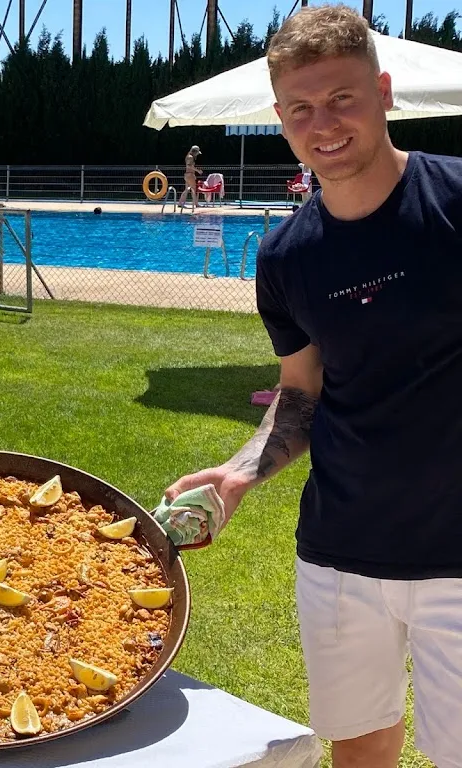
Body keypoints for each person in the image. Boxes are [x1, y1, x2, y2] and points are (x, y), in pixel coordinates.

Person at [163, 6, 462, 768]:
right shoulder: (285, 257)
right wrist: (240, 473)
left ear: (384, 93)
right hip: (340, 554)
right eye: (300, 108)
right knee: (358, 751)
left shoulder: (456, 201)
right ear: (280, 120)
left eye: (341, 98)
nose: (322, 124)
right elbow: (299, 395)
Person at [177, 145, 202, 211]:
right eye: (197, 153)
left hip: (188, 175)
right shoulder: (190, 157)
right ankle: (196, 203)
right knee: (193, 189)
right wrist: (198, 171)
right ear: (195, 152)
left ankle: (180, 203)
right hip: (189, 175)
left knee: (187, 190)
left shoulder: (189, 156)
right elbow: (189, 166)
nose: (197, 154)